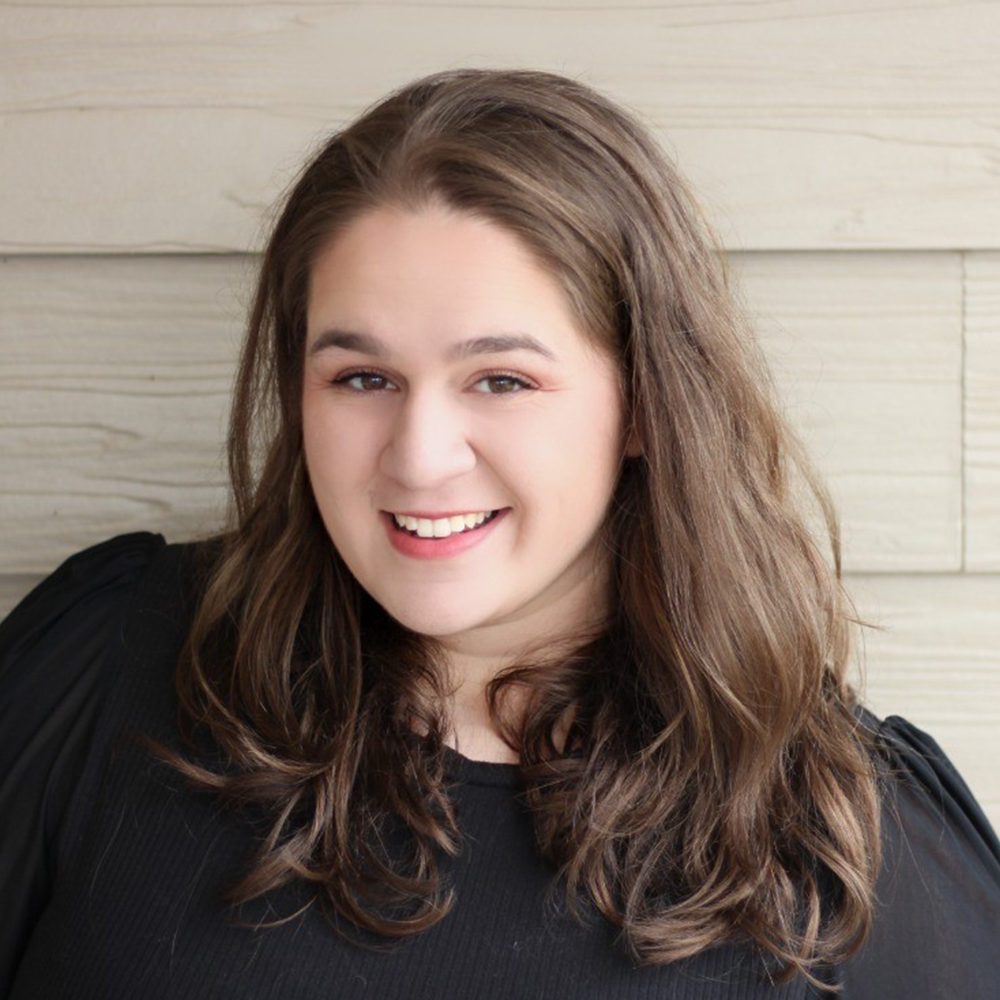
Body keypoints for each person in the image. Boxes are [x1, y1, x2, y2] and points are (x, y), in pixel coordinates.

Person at [1, 67, 998, 1000]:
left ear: (646, 403)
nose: (420, 454)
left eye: (502, 379)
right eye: (361, 376)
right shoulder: (104, 664)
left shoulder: (840, 834)